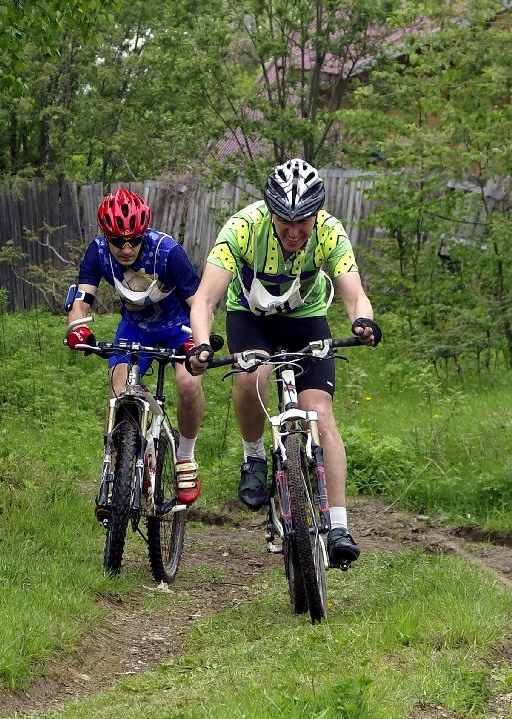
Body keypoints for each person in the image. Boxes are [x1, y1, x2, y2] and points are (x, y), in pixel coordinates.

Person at [186, 158, 381, 569]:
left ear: (316, 215)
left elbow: (354, 294)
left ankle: (340, 525)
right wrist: (201, 344)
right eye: (285, 221)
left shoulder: (329, 230)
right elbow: (205, 299)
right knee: (252, 371)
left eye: (303, 222)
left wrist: (363, 321)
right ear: (269, 210)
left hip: (305, 320)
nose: (294, 232)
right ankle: (254, 455)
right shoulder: (242, 228)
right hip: (250, 318)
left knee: (321, 414)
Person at [65, 187, 204, 505]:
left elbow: (199, 303)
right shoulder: (98, 252)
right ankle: (118, 472)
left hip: (178, 328)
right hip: (135, 329)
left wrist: (199, 341)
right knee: (118, 388)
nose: (126, 249)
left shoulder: (167, 251)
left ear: (144, 234)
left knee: (188, 382)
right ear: (106, 236)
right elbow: (82, 298)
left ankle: (185, 457)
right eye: (117, 241)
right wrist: (76, 329)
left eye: (134, 241)